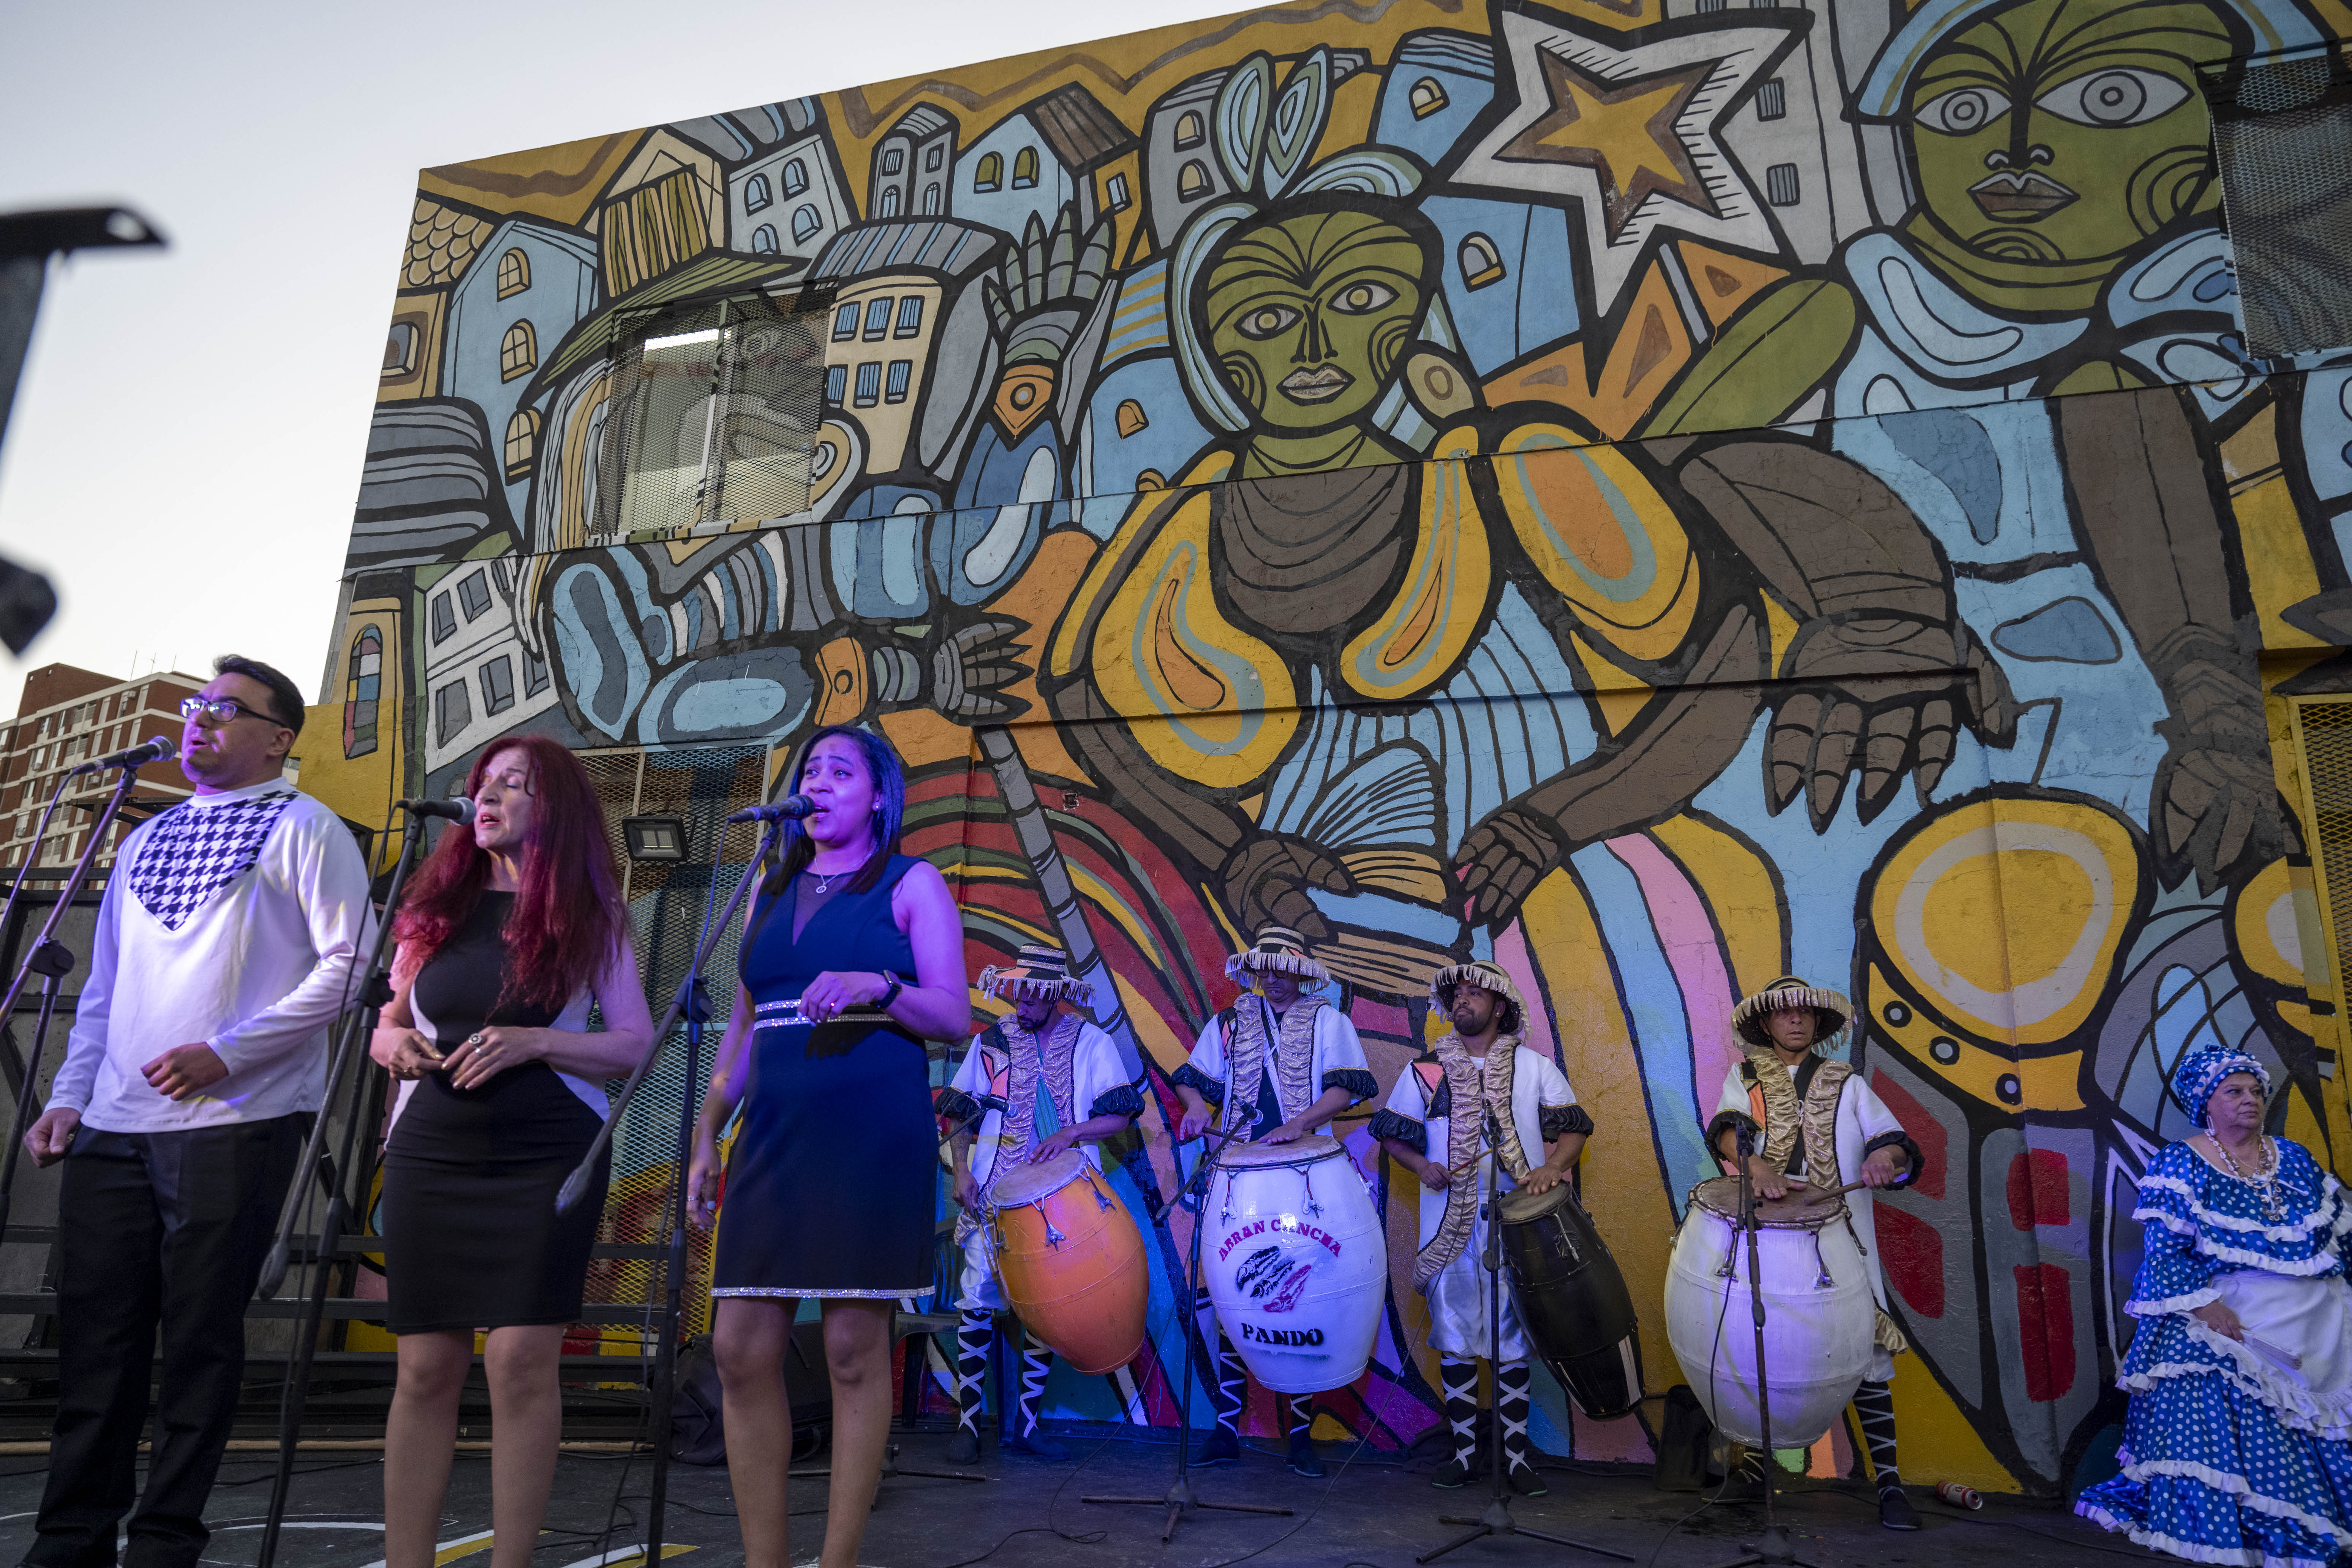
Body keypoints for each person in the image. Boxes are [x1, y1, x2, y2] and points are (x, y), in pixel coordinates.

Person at [16, 656, 373, 1568]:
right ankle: (70, 1540)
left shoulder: (305, 827)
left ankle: (165, 1541)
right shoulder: (144, 838)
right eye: (197, 706)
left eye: (226, 709)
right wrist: (69, 1095)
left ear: (279, 737)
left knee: (200, 1347)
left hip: (235, 1122)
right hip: (113, 1125)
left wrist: (231, 1049)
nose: (200, 720)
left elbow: (352, 966)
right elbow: (104, 991)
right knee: (97, 1347)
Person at [369, 737, 656, 1568]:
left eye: (514, 784)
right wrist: (394, 1047)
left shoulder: (592, 914)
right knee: (426, 1367)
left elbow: (633, 1043)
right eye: (483, 784)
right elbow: (385, 1021)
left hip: (547, 1152)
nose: (489, 797)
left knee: (522, 1361)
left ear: (554, 806)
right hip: (432, 1149)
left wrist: (536, 1041)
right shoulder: (435, 908)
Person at [686, 726, 966, 1568]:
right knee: (740, 1349)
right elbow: (742, 1027)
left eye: (841, 771)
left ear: (879, 797)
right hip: (771, 1134)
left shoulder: (912, 883)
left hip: (870, 1133)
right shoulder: (767, 889)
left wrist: (881, 985)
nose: (819, 782)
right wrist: (707, 1132)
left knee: (851, 1350)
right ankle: (765, 1559)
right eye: (811, 769)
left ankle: (837, 1560)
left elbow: (953, 1015)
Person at [2077, 1046, 2352, 1564]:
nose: (2251, 1100)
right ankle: (2273, 1511)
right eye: (2235, 1092)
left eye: (2256, 1091)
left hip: (2322, 1313)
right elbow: (2165, 1251)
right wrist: (2206, 1307)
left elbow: (2342, 1236)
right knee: (2203, 1364)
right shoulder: (2182, 1162)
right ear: (2207, 1102)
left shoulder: (2294, 1158)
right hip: (2233, 1305)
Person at [1705, 975, 1922, 1530]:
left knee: (1864, 1344)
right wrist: (1758, 1168)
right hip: (1768, 1235)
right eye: (1784, 1013)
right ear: (1767, 1023)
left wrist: (1885, 1159)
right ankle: (1758, 1470)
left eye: (1805, 1013)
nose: (1796, 1019)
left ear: (1818, 1024)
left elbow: (1892, 1139)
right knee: (1769, 1341)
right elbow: (1729, 1131)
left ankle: (1890, 1483)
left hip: (1843, 1233)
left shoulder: (1847, 1082)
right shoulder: (1744, 1078)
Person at [1373, 961, 1589, 1493]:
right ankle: (1466, 1456)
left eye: (1475, 994)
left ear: (1500, 1006)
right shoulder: (1425, 1071)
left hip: (1520, 1225)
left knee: (1514, 1339)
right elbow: (1393, 1135)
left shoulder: (1535, 1067)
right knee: (1454, 1338)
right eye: (1457, 995)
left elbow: (1575, 1130)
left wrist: (1552, 1168)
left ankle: (1515, 1460)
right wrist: (1422, 1166)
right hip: (1448, 1227)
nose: (1463, 1001)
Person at [1171, 923, 1377, 1478]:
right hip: (1238, 1175)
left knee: (1300, 1297)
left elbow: (1347, 1088)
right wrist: (1197, 1106)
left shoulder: (1329, 1022)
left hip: (1305, 1174)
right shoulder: (1229, 1023)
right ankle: (1226, 1429)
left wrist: (1300, 1123)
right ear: (1257, 972)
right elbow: (1193, 1079)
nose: (1276, 980)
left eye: (1285, 971)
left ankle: (1301, 1438)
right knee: (1234, 1292)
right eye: (1267, 970)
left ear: (1301, 974)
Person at [935, 944, 1142, 1462]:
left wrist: (1071, 1132)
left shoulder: (1092, 1042)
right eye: (1018, 995)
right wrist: (962, 1170)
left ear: (1054, 995)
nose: (1021, 1006)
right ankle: (968, 1426)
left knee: (1050, 1302)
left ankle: (1026, 1426)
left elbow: (1120, 1116)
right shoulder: (991, 1043)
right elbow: (958, 1113)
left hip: (1067, 1201)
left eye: (1031, 997)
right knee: (977, 1300)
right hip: (992, 1197)